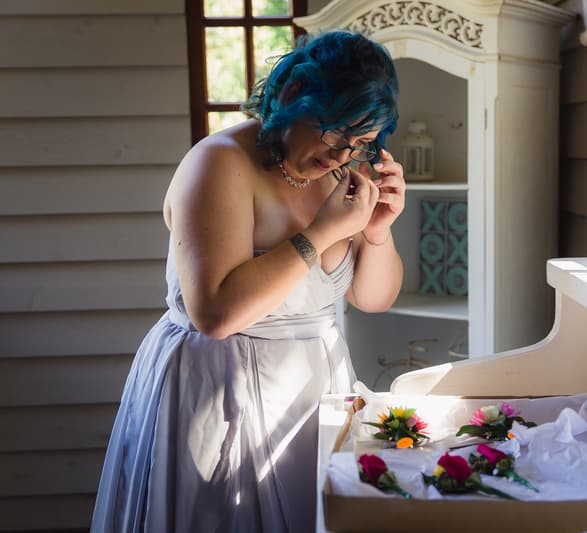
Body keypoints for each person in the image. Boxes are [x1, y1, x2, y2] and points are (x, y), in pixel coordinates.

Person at [91, 30, 404, 532]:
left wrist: (379, 232)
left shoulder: (336, 175)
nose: (343, 156)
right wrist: (323, 231)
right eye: (333, 132)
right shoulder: (219, 164)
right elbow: (215, 314)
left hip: (313, 400)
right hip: (218, 397)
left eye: (361, 143)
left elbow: (373, 298)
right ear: (289, 99)